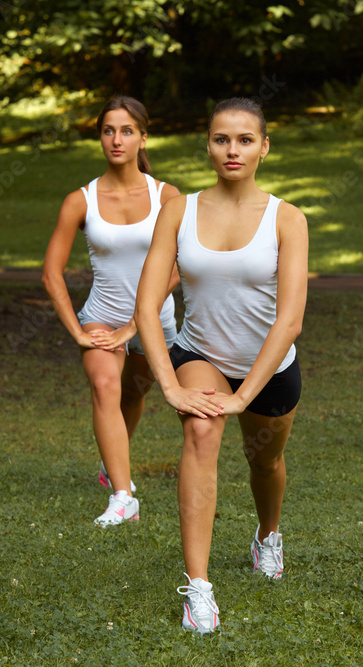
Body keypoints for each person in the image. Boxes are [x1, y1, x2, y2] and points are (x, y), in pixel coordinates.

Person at [135, 97, 307, 635]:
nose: (232, 150)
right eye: (221, 139)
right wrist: (168, 382)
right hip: (200, 355)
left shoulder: (288, 218)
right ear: (207, 144)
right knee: (202, 434)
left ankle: (267, 533)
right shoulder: (179, 210)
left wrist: (242, 397)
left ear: (264, 147)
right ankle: (199, 588)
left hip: (271, 368)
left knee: (266, 463)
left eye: (244, 140)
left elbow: (289, 321)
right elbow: (145, 306)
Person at [42, 96, 180, 528]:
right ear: (99, 136)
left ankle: (110, 459)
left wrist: (132, 328)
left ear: (143, 137)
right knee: (106, 386)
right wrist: (80, 333)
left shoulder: (167, 197)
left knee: (134, 394)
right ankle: (124, 496)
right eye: (108, 130)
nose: (116, 140)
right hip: (101, 316)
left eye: (126, 131)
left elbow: (179, 270)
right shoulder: (79, 201)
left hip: (155, 322)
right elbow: (51, 274)